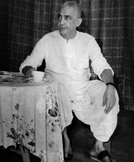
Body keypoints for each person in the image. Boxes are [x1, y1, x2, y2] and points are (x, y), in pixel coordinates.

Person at [19, 1, 119, 162]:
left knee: (106, 91)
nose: (61, 22)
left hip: (82, 89)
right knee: (45, 98)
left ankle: (98, 146)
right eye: (59, 17)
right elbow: (28, 63)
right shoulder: (47, 39)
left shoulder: (88, 40)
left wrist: (110, 85)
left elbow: (102, 65)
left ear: (78, 22)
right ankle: (62, 138)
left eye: (67, 18)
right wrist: (29, 71)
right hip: (55, 91)